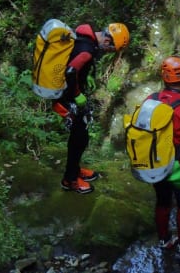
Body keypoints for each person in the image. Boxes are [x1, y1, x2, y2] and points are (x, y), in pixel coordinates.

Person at [54, 22, 130, 194]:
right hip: (67, 96)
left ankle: (74, 170)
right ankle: (70, 179)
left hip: (68, 93)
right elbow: (71, 71)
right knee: (78, 138)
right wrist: (76, 94)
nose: (108, 52)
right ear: (107, 41)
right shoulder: (87, 49)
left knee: (81, 136)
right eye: (111, 49)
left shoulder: (83, 38)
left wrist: (84, 78)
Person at [145, 56, 180, 253]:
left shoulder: (150, 100)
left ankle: (165, 239)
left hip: (155, 162)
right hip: (179, 166)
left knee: (162, 201)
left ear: (163, 76)